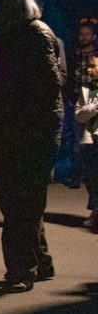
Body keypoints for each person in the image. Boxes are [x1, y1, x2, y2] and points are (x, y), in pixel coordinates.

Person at [0, 0, 64, 292]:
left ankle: (20, 270)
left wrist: (17, 113)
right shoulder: (15, 34)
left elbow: (49, 84)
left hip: (31, 132)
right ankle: (40, 261)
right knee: (24, 204)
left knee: (19, 204)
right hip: (19, 129)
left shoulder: (34, 33)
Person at [65, 18, 96, 188]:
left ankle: (89, 173)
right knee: (77, 140)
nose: (84, 37)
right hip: (77, 100)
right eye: (82, 34)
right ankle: (76, 174)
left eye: (87, 34)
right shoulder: (74, 54)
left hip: (94, 98)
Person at [73, 54, 98, 224]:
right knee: (92, 178)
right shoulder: (86, 90)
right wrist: (93, 108)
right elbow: (79, 116)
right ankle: (95, 211)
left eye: (93, 66)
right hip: (90, 140)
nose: (89, 70)